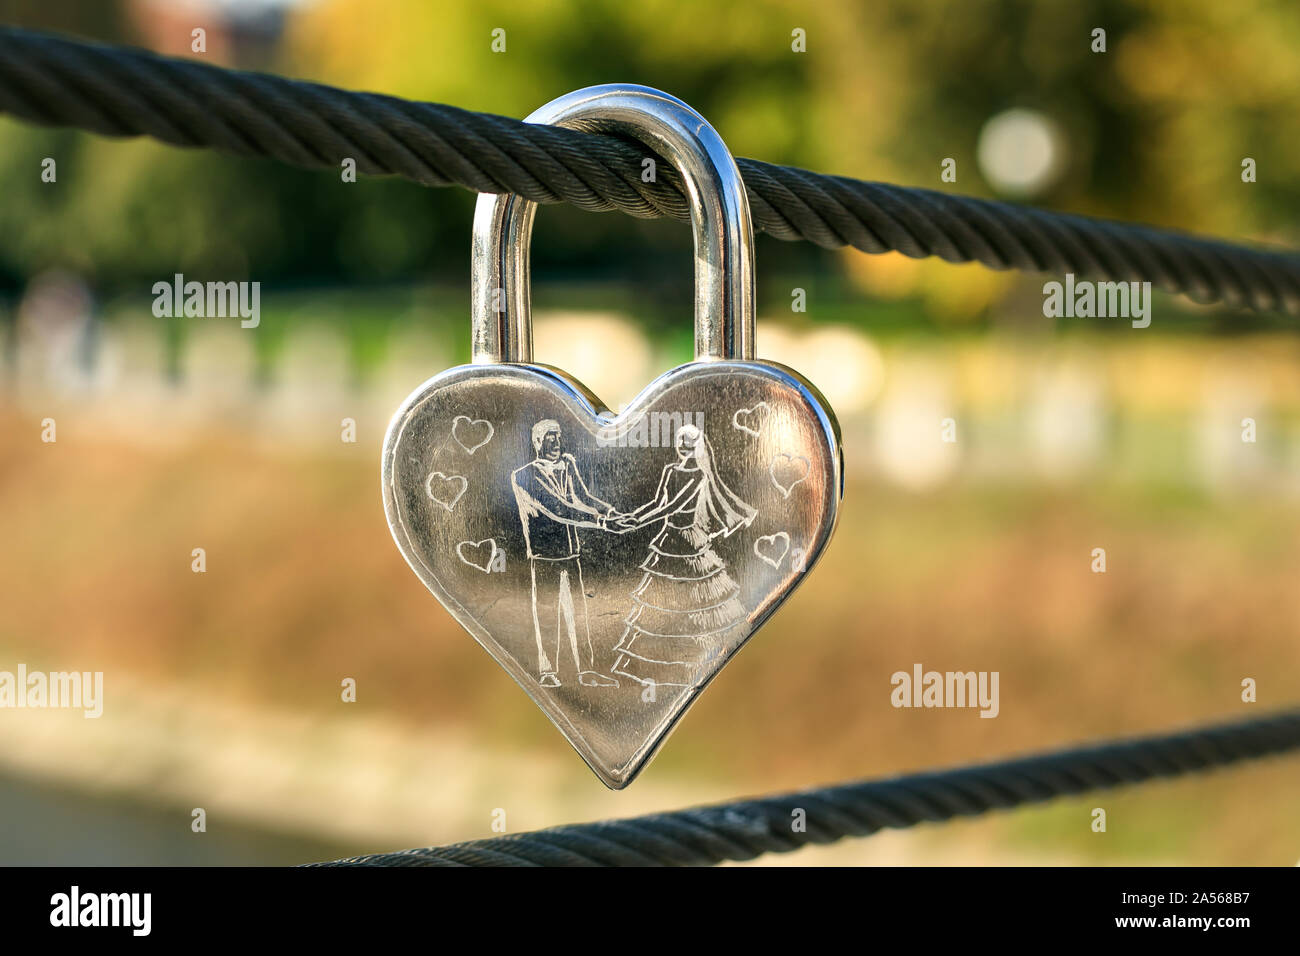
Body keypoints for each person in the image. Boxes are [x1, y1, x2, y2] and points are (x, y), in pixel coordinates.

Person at [610, 425, 756, 688]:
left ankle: (694, 664)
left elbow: (675, 505)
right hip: (670, 536)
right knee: (663, 599)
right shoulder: (670, 470)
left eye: (690, 444)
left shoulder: (700, 474)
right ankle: (663, 666)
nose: (684, 448)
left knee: (694, 600)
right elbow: (658, 503)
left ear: (698, 447)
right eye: (681, 442)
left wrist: (636, 524)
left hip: (688, 541)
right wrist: (634, 517)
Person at [511, 419, 620, 689]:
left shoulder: (568, 464)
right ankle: (548, 672)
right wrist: (600, 522)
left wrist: (611, 512)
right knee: (548, 614)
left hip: (571, 552)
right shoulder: (523, 475)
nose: (557, 442)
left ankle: (588, 670)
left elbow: (581, 498)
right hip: (544, 554)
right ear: (537, 442)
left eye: (558, 437)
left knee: (578, 614)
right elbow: (558, 509)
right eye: (550, 437)